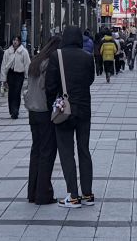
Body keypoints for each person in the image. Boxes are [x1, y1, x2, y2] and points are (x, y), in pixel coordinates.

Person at [45, 25, 96, 207]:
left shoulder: (56, 56)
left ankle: (73, 196)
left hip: (64, 110)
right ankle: (88, 194)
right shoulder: (87, 57)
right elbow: (91, 79)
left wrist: (55, 102)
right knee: (84, 150)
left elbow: (50, 85)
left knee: (67, 152)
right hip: (84, 109)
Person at [23, 36, 60, 205]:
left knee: (36, 151)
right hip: (45, 111)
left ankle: (32, 192)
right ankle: (43, 193)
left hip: (33, 111)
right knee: (47, 152)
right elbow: (49, 87)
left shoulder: (36, 62)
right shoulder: (50, 64)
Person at [1, 36, 31, 120]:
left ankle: (16, 110)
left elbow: (27, 64)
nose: (15, 42)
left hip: (19, 74)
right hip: (10, 74)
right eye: (14, 40)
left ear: (20, 42)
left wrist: (28, 76)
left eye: (17, 40)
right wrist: (3, 78)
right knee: (11, 92)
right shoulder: (7, 52)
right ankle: (11, 109)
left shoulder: (23, 52)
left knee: (17, 92)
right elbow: (4, 65)